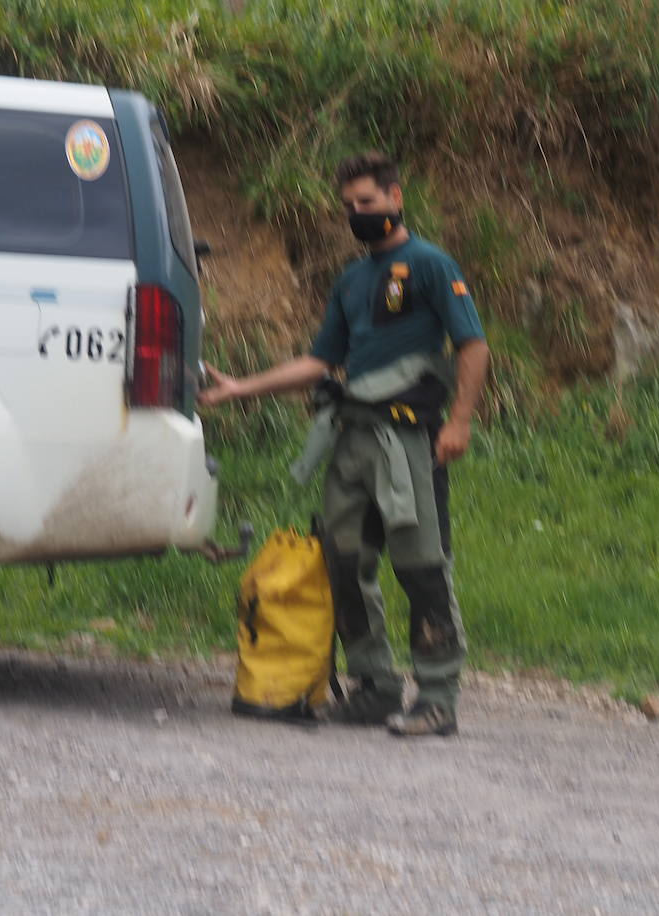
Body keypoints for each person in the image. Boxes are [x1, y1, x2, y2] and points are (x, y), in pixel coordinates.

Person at [198, 151, 489, 738]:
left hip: (409, 442)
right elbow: (319, 362)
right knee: (344, 561)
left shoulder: (431, 265)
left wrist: (459, 422)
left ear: (395, 197)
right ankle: (375, 687)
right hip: (351, 439)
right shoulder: (352, 281)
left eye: (369, 202)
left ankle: (437, 698)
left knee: (422, 566)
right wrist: (241, 389)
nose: (359, 213)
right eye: (350, 206)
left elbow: (473, 346)